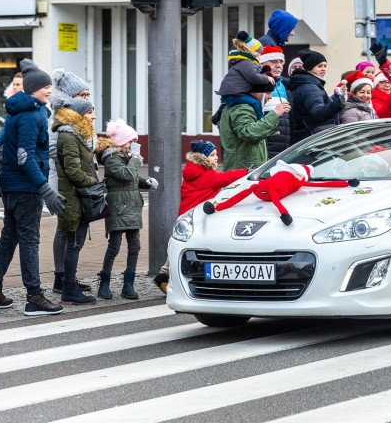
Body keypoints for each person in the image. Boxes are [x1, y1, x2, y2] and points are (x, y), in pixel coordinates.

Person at [0, 60, 65, 315]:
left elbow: (19, 148)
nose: (49, 90)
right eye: (45, 87)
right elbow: (25, 156)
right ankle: (34, 297)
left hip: (10, 186)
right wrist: (45, 187)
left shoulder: (16, 111)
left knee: (9, 237)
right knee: (30, 240)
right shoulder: (33, 115)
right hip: (26, 188)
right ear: (33, 90)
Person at [153, 141, 247, 293]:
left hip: (186, 215)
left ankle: (163, 276)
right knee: (185, 247)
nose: (216, 158)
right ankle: (169, 278)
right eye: (212, 155)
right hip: (196, 218)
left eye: (216, 154)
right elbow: (225, 178)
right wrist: (246, 172)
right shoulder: (206, 174)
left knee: (178, 245)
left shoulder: (192, 171)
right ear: (202, 157)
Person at [95, 120, 157, 301]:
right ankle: (104, 281)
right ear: (122, 142)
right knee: (114, 246)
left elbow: (133, 179)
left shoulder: (126, 157)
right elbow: (125, 174)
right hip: (118, 206)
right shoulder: (111, 157)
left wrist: (146, 182)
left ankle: (128, 284)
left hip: (131, 205)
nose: (133, 145)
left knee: (135, 246)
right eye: (131, 141)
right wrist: (136, 160)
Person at [47, 69, 94, 295]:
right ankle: (61, 278)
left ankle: (67, 277)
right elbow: (52, 149)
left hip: (74, 181)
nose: (86, 98)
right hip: (63, 182)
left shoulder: (78, 116)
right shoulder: (59, 118)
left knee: (69, 228)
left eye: (87, 94)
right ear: (70, 95)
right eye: (82, 94)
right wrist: (71, 157)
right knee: (64, 229)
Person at [53, 96, 99, 305]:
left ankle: (70, 285)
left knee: (75, 243)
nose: (94, 116)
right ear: (79, 115)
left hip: (78, 196)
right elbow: (73, 170)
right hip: (73, 197)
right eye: (90, 112)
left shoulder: (78, 136)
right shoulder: (69, 136)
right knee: (73, 243)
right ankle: (69, 289)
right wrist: (95, 184)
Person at [219, 78, 289, 172]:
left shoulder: (248, 107)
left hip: (246, 169)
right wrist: (274, 114)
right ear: (255, 92)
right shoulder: (242, 108)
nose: (270, 97)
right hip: (241, 172)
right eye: (268, 93)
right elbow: (249, 133)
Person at [289, 50, 344, 143]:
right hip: (314, 139)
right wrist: (339, 102)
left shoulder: (311, 84)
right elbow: (318, 113)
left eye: (325, 66)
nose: (323, 69)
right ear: (310, 68)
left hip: (310, 138)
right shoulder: (310, 87)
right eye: (319, 66)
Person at [215, 32, 273, 98]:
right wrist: (267, 78)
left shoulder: (242, 62)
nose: (260, 56)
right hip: (235, 94)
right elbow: (253, 77)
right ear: (253, 53)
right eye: (260, 53)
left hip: (231, 93)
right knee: (255, 104)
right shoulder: (248, 63)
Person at [259, 45, 292, 158]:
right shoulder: (257, 84)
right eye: (273, 62)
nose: (278, 65)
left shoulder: (282, 84)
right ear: (261, 64)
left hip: (283, 144)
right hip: (266, 144)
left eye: (281, 62)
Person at [0, 72, 24, 159]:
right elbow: (6, 127)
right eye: (14, 84)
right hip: (11, 150)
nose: (15, 87)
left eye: (18, 84)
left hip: (25, 150)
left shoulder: (32, 104)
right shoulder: (12, 105)